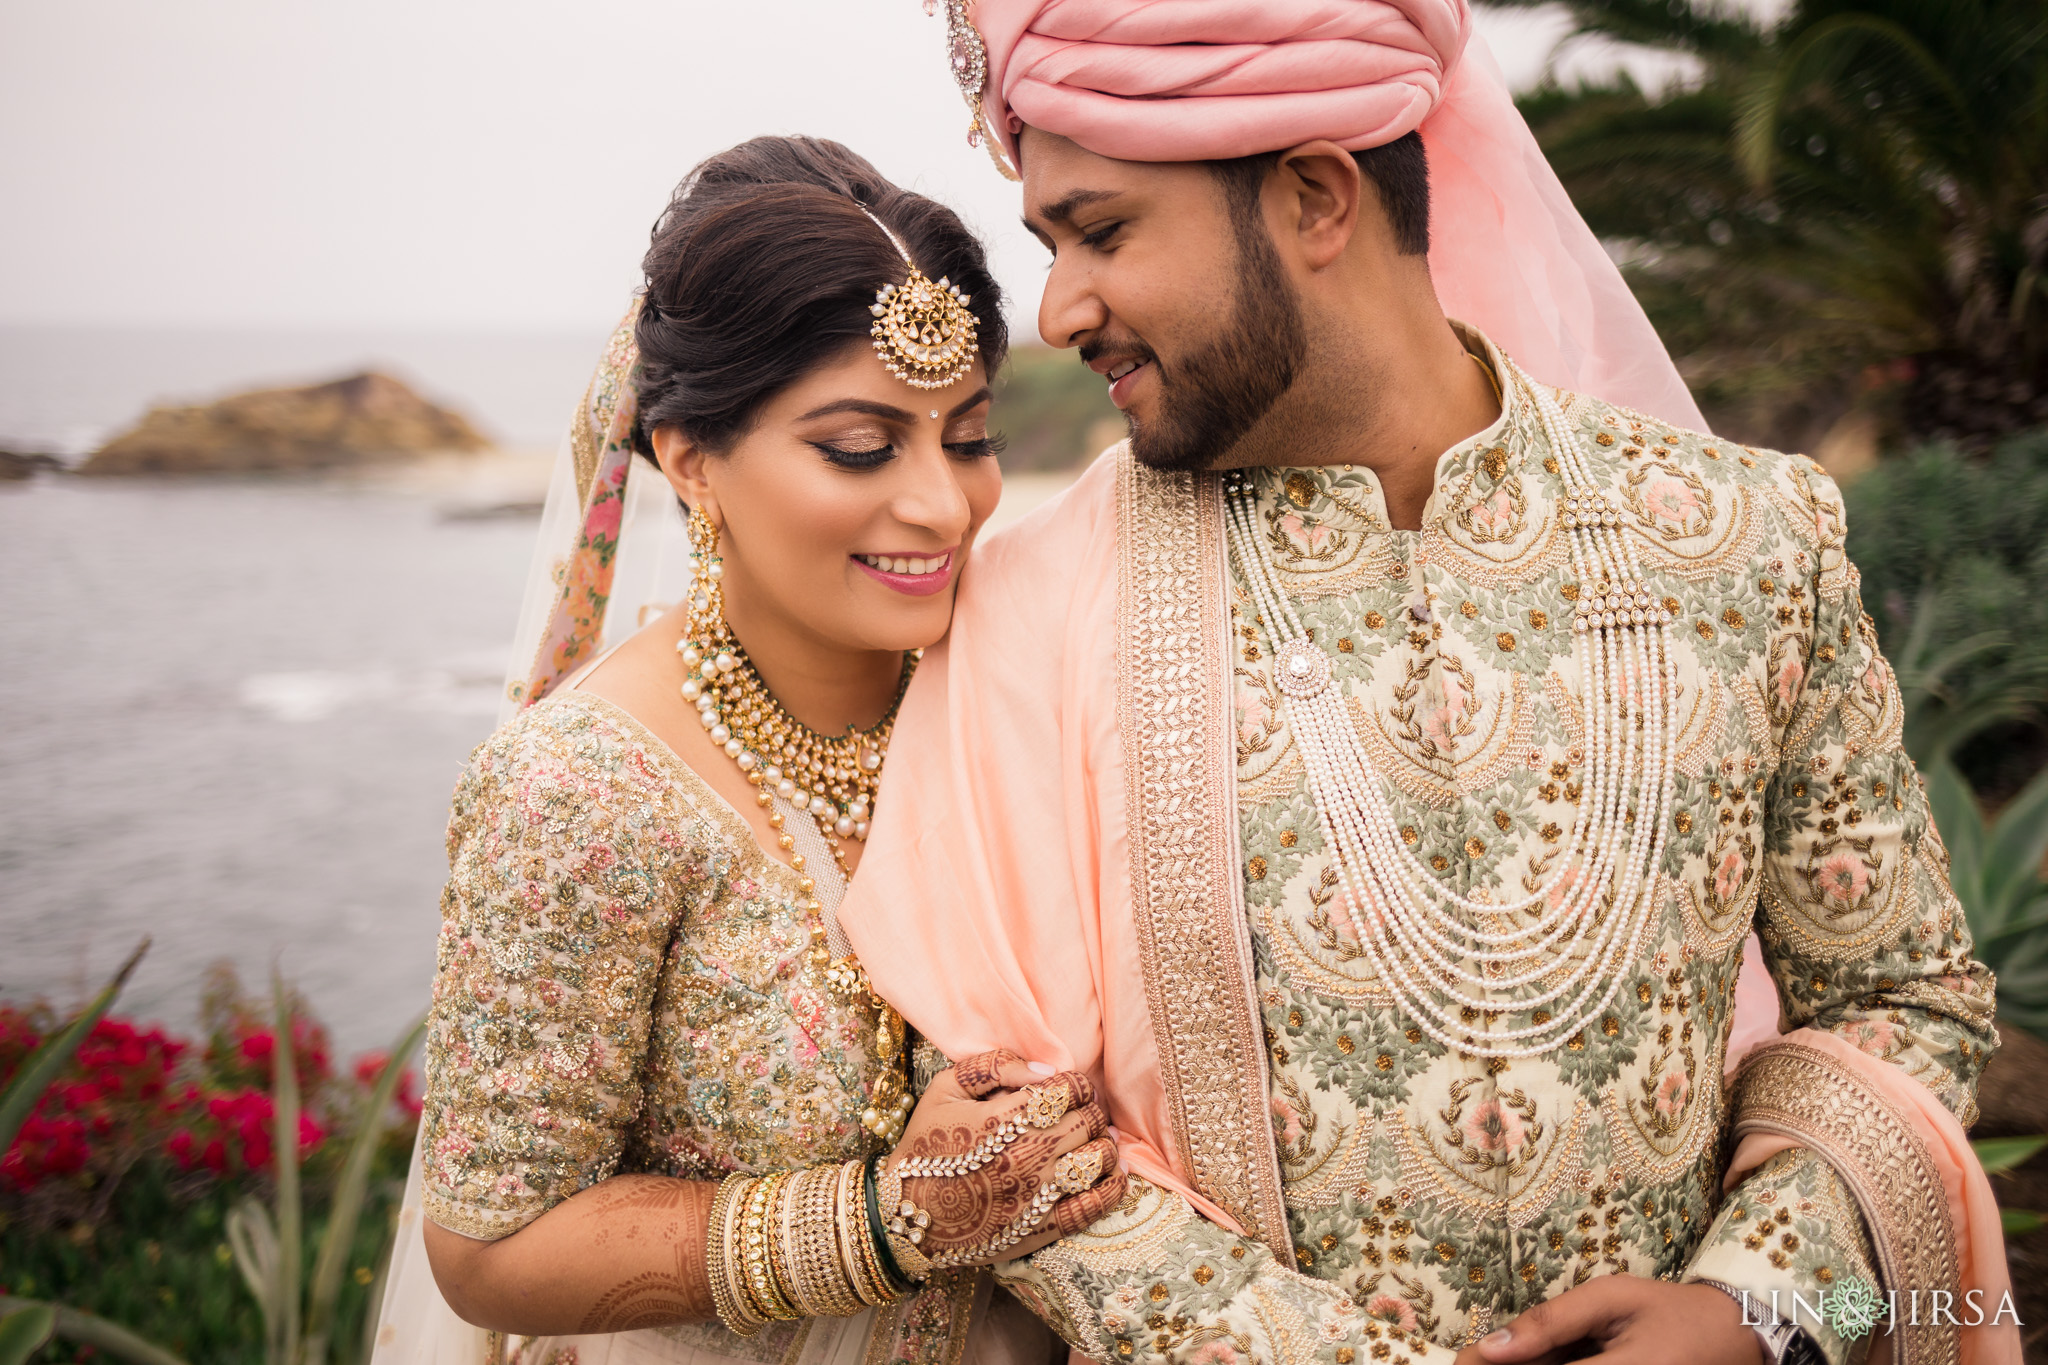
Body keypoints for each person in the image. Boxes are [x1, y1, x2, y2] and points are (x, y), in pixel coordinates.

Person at [839, 5, 2019, 1365]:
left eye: (1102, 232)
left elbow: (1908, 1000)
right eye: (1052, 247)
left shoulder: (1744, 537)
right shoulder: (1032, 606)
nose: (1060, 309)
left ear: (1314, 199)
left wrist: (1752, 1307)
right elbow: (1002, 1129)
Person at [368, 135, 1125, 1365]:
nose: (942, 504)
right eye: (860, 447)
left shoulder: (1009, 685)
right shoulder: (581, 789)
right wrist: (881, 1228)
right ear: (691, 460)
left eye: (969, 436)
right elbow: (490, 1248)